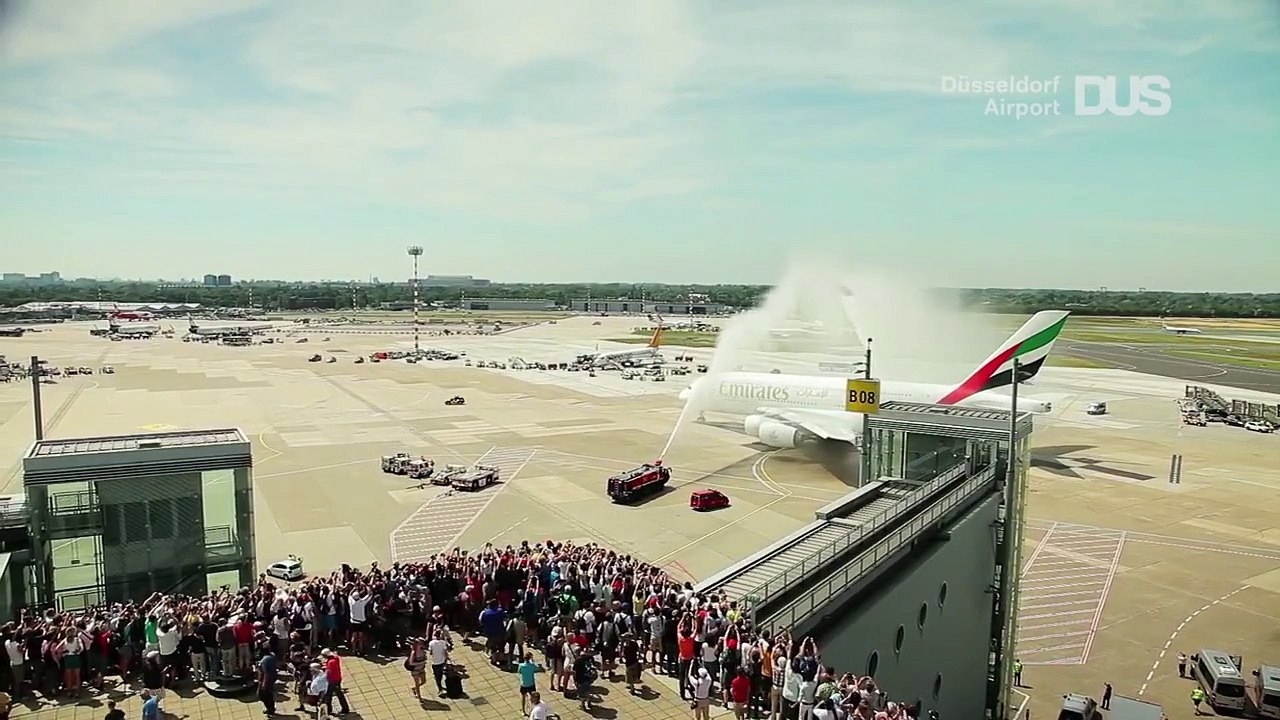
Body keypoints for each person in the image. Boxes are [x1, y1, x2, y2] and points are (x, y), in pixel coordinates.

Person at [321, 649, 350, 715]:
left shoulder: (331, 662)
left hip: (333, 680)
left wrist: (324, 673)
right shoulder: (335, 658)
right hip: (337, 678)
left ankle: (330, 710)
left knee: (329, 695)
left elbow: (329, 672)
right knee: (338, 694)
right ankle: (344, 709)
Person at [427, 632, 450, 698]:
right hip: (442, 661)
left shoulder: (431, 643)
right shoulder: (443, 642)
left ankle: (440, 689)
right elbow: (445, 652)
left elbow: (430, 653)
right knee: (440, 674)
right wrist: (446, 660)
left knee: (437, 676)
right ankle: (440, 685)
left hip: (435, 662)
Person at [257, 649, 279, 717]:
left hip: (266, 680)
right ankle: (271, 708)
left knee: (261, 695)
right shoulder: (272, 656)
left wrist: (264, 683)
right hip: (273, 678)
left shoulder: (263, 661)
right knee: (269, 694)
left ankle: (269, 709)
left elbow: (265, 673)